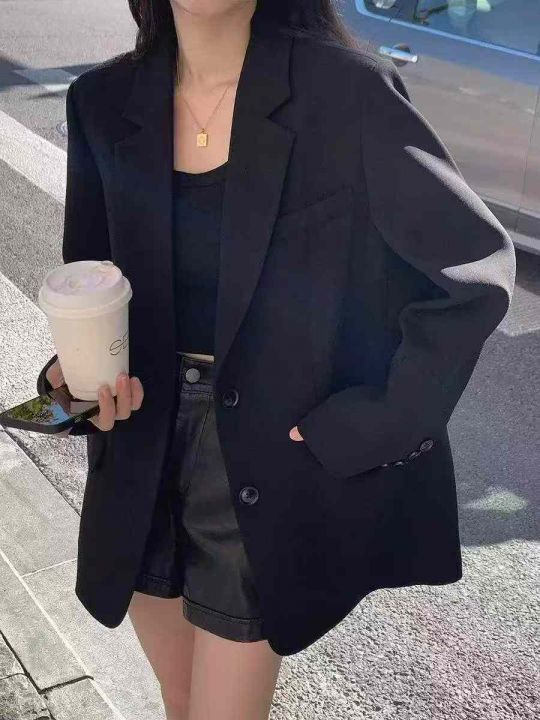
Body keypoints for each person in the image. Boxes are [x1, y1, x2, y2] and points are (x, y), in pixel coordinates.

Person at [36, 1, 516, 718]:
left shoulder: (345, 92)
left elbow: (471, 276)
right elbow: (95, 284)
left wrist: (375, 423)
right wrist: (72, 384)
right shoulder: (101, 101)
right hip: (138, 460)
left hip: (259, 464)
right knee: (180, 700)